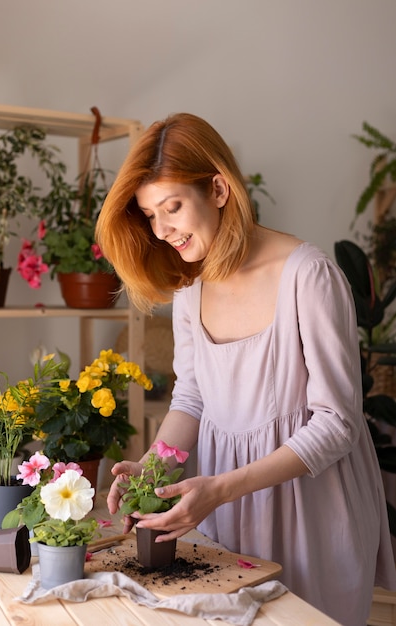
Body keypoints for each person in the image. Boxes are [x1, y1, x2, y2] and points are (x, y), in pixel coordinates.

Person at [95, 112, 396, 625]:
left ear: (217, 188)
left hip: (310, 509)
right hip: (224, 514)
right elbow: (191, 398)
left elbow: (338, 423)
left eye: (172, 207)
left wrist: (222, 487)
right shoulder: (191, 287)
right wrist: (154, 466)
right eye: (149, 214)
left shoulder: (308, 275)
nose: (162, 230)